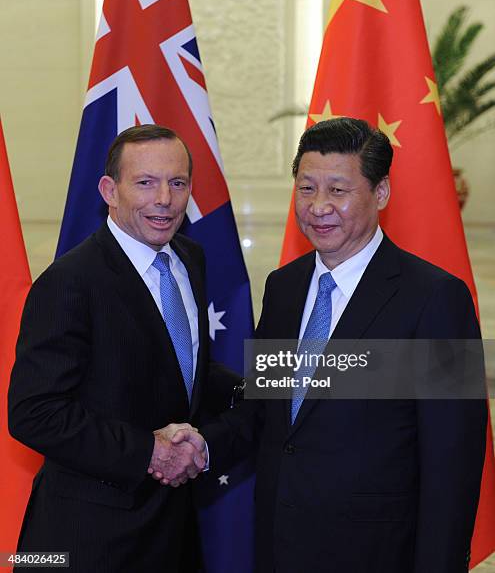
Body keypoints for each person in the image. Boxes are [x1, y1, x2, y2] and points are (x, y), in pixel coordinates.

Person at [167, 118, 487, 573]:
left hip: (378, 552)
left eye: (338, 190)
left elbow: (453, 460)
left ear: (380, 194)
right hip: (280, 545)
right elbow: (266, 408)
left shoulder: (437, 298)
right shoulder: (284, 288)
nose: (319, 207)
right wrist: (199, 444)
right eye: (306, 188)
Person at [8, 124, 238, 572]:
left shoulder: (190, 258)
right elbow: (34, 412)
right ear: (109, 190)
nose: (164, 200)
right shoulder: (70, 281)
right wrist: (148, 451)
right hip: (85, 541)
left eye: (177, 183)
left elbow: (177, 370)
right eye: (146, 182)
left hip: (171, 534)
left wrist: (266, 387)